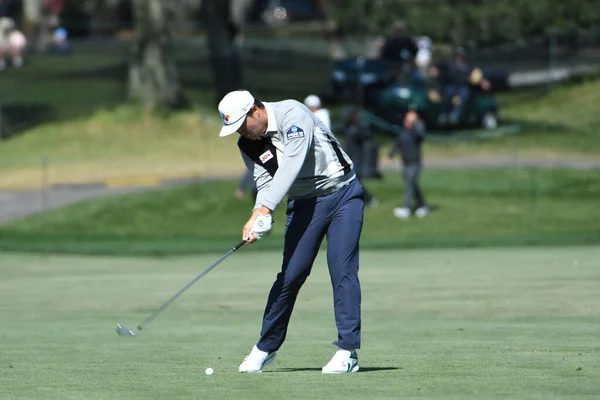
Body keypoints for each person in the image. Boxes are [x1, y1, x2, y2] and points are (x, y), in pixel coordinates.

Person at [217, 89, 365, 374]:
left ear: (255, 111)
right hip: (304, 204)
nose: (242, 133)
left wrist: (266, 209)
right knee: (291, 275)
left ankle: (347, 351)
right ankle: (265, 347)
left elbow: (292, 163)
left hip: (343, 194)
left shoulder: (292, 113)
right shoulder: (248, 145)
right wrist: (257, 214)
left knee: (341, 268)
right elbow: (264, 181)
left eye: (241, 125)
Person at [430, 46, 491, 125]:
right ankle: (444, 115)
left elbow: (477, 75)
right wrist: (435, 70)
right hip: (451, 85)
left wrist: (483, 82)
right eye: (459, 55)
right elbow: (437, 66)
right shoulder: (449, 63)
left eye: (462, 55)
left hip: (464, 87)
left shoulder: (468, 65)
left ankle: (454, 116)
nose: (460, 57)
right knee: (448, 94)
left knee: (464, 96)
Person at [387, 109, 429, 219]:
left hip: (414, 163)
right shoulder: (403, 133)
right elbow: (396, 145)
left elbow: (421, 134)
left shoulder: (416, 132)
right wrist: (390, 156)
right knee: (413, 185)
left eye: (409, 120)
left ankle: (406, 208)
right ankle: (423, 205)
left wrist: (416, 121)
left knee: (410, 185)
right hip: (405, 163)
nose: (406, 122)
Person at [341, 106, 380, 207]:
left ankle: (368, 198)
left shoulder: (359, 126)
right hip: (347, 156)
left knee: (355, 180)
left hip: (356, 156)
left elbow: (367, 136)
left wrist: (358, 132)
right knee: (349, 180)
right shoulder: (347, 126)